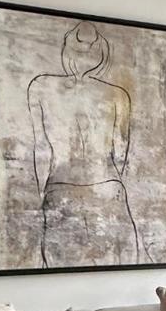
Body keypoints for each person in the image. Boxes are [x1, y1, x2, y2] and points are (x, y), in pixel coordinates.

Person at [28, 20, 139, 268]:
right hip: (108, 186)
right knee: (119, 267)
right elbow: (121, 153)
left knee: (58, 270)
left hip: (61, 186)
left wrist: (41, 192)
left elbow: (42, 148)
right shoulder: (118, 95)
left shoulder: (40, 87)